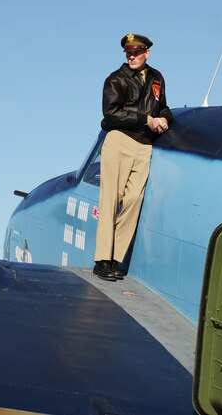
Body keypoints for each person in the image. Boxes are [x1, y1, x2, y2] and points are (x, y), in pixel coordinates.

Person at [93, 33, 173, 281]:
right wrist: (144, 119)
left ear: (147, 52)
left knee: (134, 200)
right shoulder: (116, 79)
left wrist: (164, 119)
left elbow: (164, 107)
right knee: (110, 200)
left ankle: (117, 258)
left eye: (137, 52)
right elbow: (111, 113)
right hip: (120, 141)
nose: (132, 56)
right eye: (129, 52)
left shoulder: (156, 78)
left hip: (144, 145)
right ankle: (102, 261)